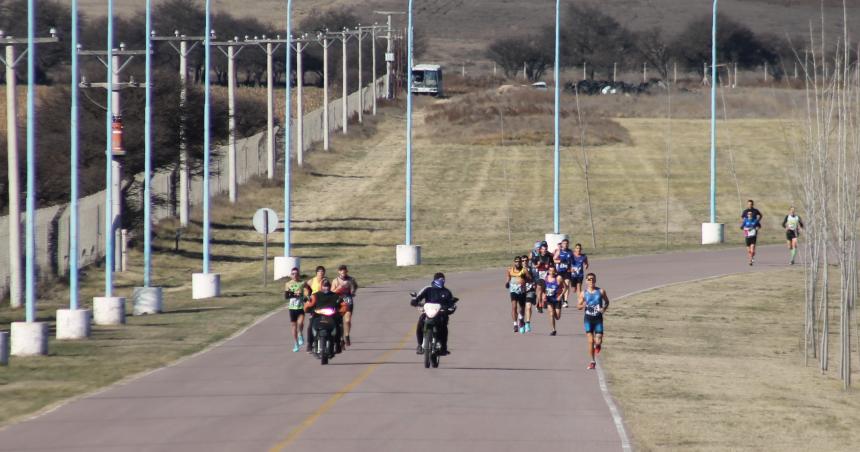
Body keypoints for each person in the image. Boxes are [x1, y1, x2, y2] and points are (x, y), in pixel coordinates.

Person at [412, 272, 456, 355]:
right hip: (428, 312)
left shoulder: (447, 292)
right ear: (435, 280)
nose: (442, 281)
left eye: (443, 279)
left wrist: (450, 308)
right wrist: (415, 301)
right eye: (440, 279)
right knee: (420, 323)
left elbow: (451, 303)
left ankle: (443, 347)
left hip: (441, 314)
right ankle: (419, 345)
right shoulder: (428, 289)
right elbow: (418, 297)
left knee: (444, 328)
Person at [303, 278, 348, 354]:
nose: (326, 287)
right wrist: (308, 309)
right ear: (321, 286)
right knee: (310, 326)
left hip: (332, 316)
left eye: (327, 286)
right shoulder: (315, 296)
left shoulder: (335, 296)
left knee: (338, 325)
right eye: (324, 286)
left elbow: (343, 305)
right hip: (317, 315)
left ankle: (338, 344)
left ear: (330, 286)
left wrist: (339, 311)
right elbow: (308, 305)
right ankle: (309, 345)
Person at [577, 273, 610, 370]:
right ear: (586, 281)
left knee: (598, 340)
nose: (591, 281)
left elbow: (607, 302)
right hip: (588, 319)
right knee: (590, 341)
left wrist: (604, 308)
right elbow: (578, 306)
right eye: (589, 279)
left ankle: (598, 345)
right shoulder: (583, 293)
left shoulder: (601, 291)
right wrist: (583, 305)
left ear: (595, 280)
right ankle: (592, 361)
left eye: (593, 279)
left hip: (598, 319)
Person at [332, 265, 359, 347]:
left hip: (348, 301)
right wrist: (339, 288)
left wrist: (353, 291)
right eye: (341, 271)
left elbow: (355, 286)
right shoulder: (335, 281)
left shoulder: (351, 279)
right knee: (339, 323)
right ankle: (341, 339)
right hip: (338, 302)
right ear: (339, 272)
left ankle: (347, 336)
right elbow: (332, 291)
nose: (343, 273)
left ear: (347, 271)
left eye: (344, 271)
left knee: (347, 321)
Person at [505, 256, 532, 334]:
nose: (518, 263)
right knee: (514, 306)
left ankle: (521, 318)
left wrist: (526, 278)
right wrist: (507, 283)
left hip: (522, 291)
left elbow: (530, 279)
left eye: (519, 261)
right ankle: (515, 324)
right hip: (513, 291)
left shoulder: (524, 270)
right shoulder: (510, 270)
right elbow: (508, 277)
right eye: (516, 261)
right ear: (514, 262)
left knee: (522, 308)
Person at [303, 266, 327, 352]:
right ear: (316, 273)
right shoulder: (312, 281)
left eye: (322, 272)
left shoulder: (326, 281)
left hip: (325, 304)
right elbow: (305, 287)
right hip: (314, 304)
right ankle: (309, 344)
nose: (321, 273)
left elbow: (332, 290)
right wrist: (307, 296)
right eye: (319, 271)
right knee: (311, 324)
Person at [284, 267, 306, 353]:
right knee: (294, 326)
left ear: (299, 274)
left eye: (296, 274)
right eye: (293, 274)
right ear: (290, 275)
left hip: (300, 307)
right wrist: (295, 294)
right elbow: (286, 296)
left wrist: (306, 296)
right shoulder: (288, 284)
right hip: (292, 308)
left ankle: (300, 334)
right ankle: (296, 343)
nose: (295, 275)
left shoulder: (302, 283)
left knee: (300, 323)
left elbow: (308, 290)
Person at [542, 266, 567, 336]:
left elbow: (566, 287)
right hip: (549, 299)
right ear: (548, 271)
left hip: (557, 299)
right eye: (550, 271)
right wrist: (543, 295)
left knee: (557, 317)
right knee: (551, 314)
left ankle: (555, 315)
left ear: (555, 271)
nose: (552, 272)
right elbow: (543, 288)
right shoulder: (546, 277)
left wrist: (561, 295)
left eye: (553, 271)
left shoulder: (559, 278)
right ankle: (553, 330)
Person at [531, 243, 554, 312]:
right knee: (540, 290)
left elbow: (552, 265)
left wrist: (550, 267)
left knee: (545, 291)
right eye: (543, 249)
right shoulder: (537, 257)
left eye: (545, 249)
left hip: (547, 276)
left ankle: (542, 303)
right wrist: (537, 265)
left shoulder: (549, 257)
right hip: (539, 276)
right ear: (540, 250)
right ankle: (540, 304)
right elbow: (533, 266)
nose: (544, 250)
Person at [554, 239, 574, 308]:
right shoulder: (559, 251)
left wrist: (572, 268)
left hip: (567, 271)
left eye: (566, 243)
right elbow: (554, 259)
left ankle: (565, 301)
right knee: (559, 285)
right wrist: (560, 261)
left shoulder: (570, 252)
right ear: (562, 244)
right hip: (560, 271)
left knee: (567, 284)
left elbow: (573, 261)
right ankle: (558, 297)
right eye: (564, 243)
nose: (565, 245)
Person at [522, 254, 538, 321]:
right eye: (523, 260)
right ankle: (521, 320)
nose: (524, 262)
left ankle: (528, 322)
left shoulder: (532, 269)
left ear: (528, 261)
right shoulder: (517, 269)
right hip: (521, 291)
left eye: (526, 260)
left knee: (528, 307)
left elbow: (536, 279)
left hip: (530, 290)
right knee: (522, 308)